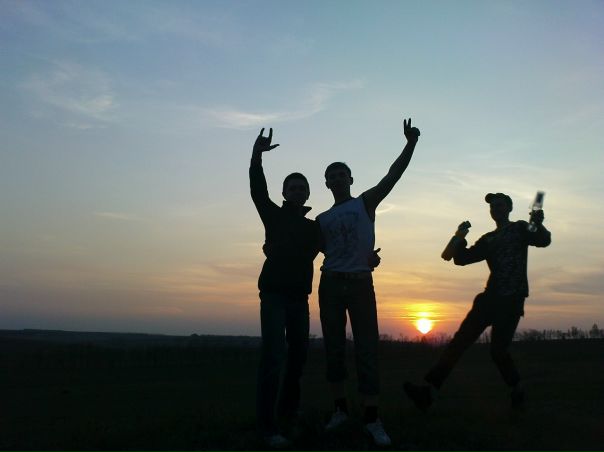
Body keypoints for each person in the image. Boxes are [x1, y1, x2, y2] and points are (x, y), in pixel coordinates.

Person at [316, 117, 420, 446]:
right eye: (331, 175)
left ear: (350, 179)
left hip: (361, 285)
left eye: (341, 173)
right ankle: (340, 410)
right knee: (334, 349)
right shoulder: (321, 219)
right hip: (331, 285)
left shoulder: (365, 202)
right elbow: (308, 248)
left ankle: (372, 418)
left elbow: (393, 175)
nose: (337, 178)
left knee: (367, 349)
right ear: (326, 183)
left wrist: (410, 144)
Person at [404, 192, 552, 412]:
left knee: (498, 351)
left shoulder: (520, 228)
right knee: (459, 342)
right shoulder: (488, 239)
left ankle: (517, 389)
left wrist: (538, 223)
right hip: (489, 298)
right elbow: (461, 259)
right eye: (492, 206)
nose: (495, 209)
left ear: (509, 208)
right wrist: (459, 236)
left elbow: (542, 239)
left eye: (500, 205)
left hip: (511, 300)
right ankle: (429, 391)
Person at [250, 128, 321, 448]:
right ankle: (267, 427)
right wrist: (257, 156)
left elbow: (336, 249)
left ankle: (288, 414)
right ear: (284, 192)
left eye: (302, 188)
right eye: (292, 187)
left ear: (307, 194)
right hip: (274, 297)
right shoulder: (274, 216)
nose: (297, 191)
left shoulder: (314, 228)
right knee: (273, 356)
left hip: (299, 300)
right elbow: (257, 190)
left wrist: (367, 258)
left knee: (298, 358)